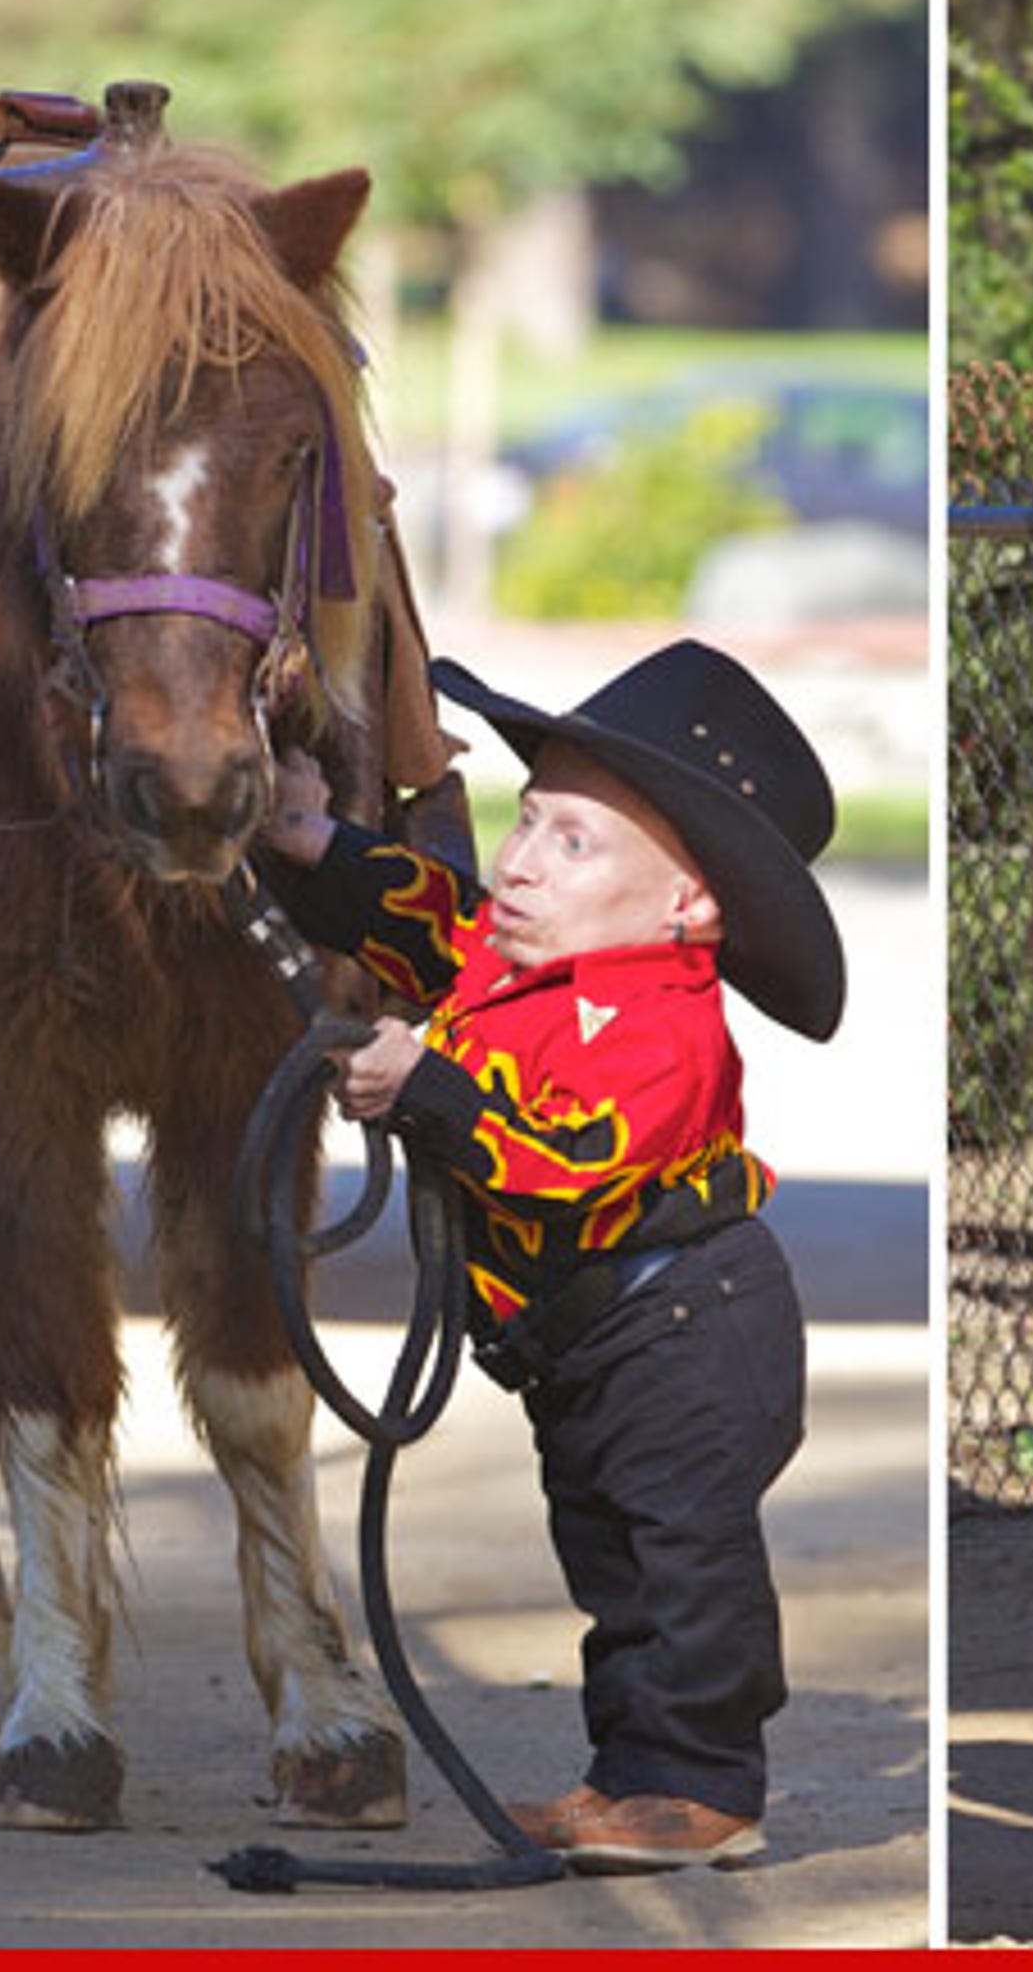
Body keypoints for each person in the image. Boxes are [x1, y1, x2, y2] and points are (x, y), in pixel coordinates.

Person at [260, 637, 844, 1873]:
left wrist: (428, 1090)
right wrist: (314, 840)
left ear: (689, 906)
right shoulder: (511, 956)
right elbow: (425, 922)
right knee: (615, 1561)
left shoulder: (662, 1025)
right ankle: (634, 1780)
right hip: (594, 1340)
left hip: (685, 1324)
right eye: (527, 823)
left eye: (573, 843)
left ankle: (706, 1783)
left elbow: (566, 1155)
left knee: (682, 1556)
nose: (519, 863)